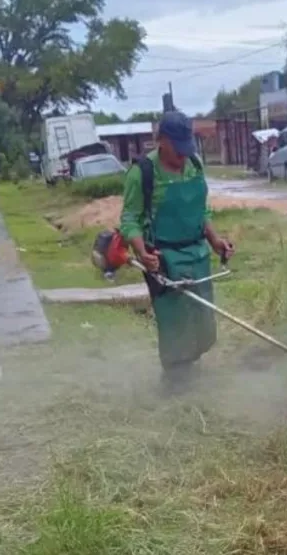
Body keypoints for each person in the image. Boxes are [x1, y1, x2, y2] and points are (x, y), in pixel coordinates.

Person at [119, 110, 234, 393]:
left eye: (187, 147)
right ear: (162, 140)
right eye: (178, 148)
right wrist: (142, 253)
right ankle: (175, 383)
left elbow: (201, 211)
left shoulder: (194, 165)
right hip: (164, 259)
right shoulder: (142, 173)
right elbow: (130, 220)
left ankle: (192, 369)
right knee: (176, 322)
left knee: (201, 319)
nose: (183, 155)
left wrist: (215, 241)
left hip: (198, 255)